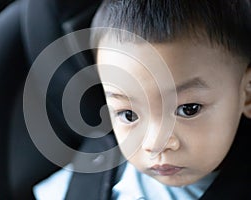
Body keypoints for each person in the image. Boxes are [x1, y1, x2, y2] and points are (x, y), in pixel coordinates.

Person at [33, 0, 251, 199]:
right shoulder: (94, 174)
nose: (155, 144)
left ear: (247, 94)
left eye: (188, 109)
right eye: (128, 115)